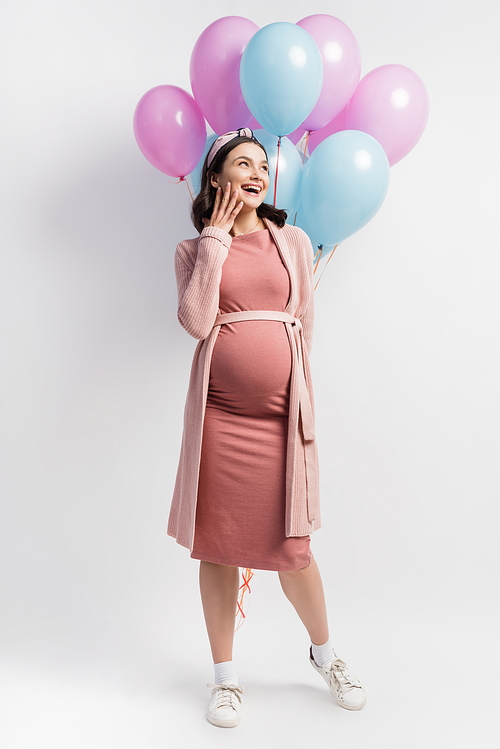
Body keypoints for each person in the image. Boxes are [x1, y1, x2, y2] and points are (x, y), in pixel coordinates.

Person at [167, 128, 366, 727]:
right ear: (215, 178)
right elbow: (197, 321)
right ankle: (226, 678)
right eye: (242, 163)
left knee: (294, 550)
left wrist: (296, 397)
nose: (257, 172)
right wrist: (214, 242)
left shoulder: (295, 242)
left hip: (281, 422)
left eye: (262, 164)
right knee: (219, 548)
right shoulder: (192, 249)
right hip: (221, 424)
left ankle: (325, 654)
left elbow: (303, 323)